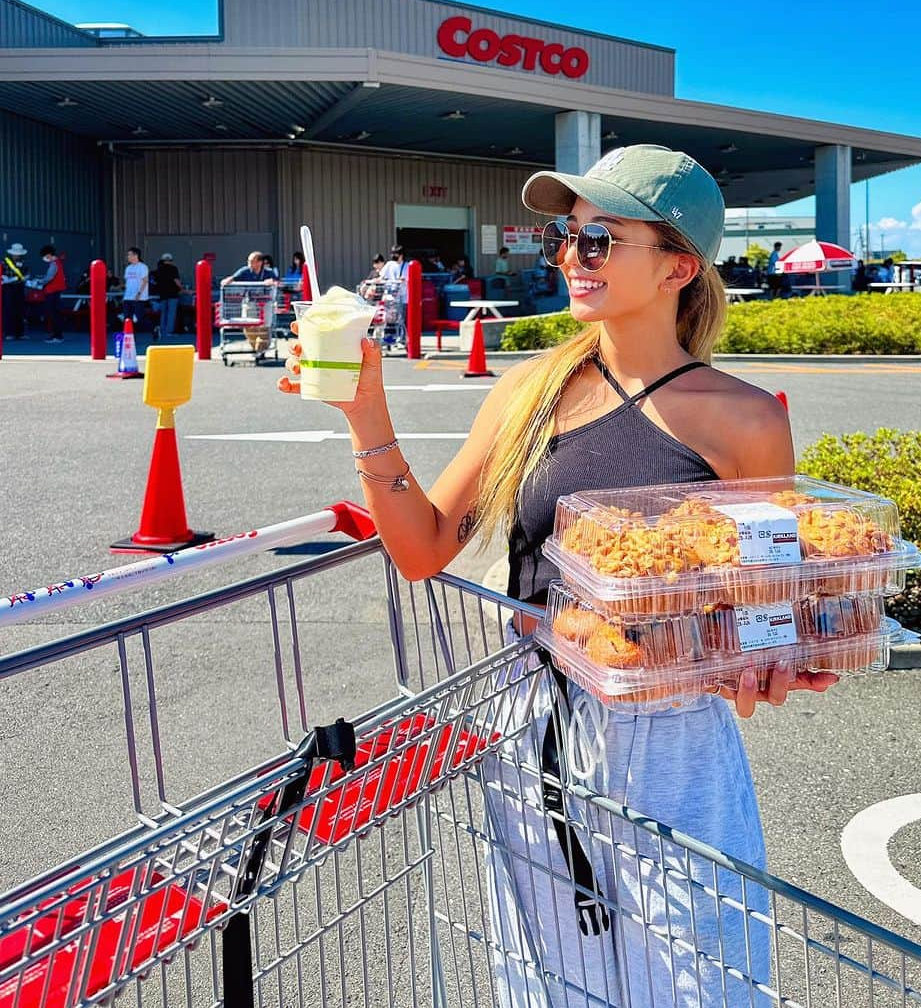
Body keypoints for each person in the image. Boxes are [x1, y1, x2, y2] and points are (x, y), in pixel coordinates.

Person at [279, 142, 834, 1005]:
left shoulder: (745, 420)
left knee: (698, 981)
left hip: (672, 737)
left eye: (600, 240)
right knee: (548, 984)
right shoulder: (531, 390)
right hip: (532, 719)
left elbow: (765, 603)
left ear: (678, 266)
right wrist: (365, 410)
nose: (572, 258)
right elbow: (425, 546)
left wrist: (762, 665)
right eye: (566, 238)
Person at [39, 245, 67, 342]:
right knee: (56, 314)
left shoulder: (53, 264)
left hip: (52, 292)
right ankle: (58, 335)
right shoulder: (58, 263)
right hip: (56, 291)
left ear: (49, 255)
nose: (45, 259)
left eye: (45, 256)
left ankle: (57, 336)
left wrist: (39, 282)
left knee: (53, 314)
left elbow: (49, 277)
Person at [2, 242, 29, 340]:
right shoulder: (5, 262)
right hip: (9, 288)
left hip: (20, 287)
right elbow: (4, 274)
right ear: (12, 253)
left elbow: (26, 272)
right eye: (16, 254)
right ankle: (9, 333)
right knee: (9, 310)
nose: (18, 256)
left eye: (19, 254)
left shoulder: (23, 262)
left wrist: (26, 277)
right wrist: (11, 278)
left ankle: (20, 333)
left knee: (20, 310)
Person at [154, 253, 182, 339]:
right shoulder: (173, 269)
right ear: (171, 260)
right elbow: (176, 280)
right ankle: (169, 331)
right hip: (173, 293)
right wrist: (181, 287)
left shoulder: (159, 269)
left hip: (162, 293)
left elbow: (156, 281)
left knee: (163, 313)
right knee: (171, 313)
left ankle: (162, 330)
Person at [121, 247, 150, 329]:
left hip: (138, 297)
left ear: (135, 255)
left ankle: (153, 328)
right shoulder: (128, 268)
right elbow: (127, 282)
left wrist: (139, 293)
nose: (128, 257)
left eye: (129, 255)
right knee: (127, 318)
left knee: (139, 318)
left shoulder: (143, 267)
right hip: (128, 296)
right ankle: (128, 335)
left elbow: (145, 281)